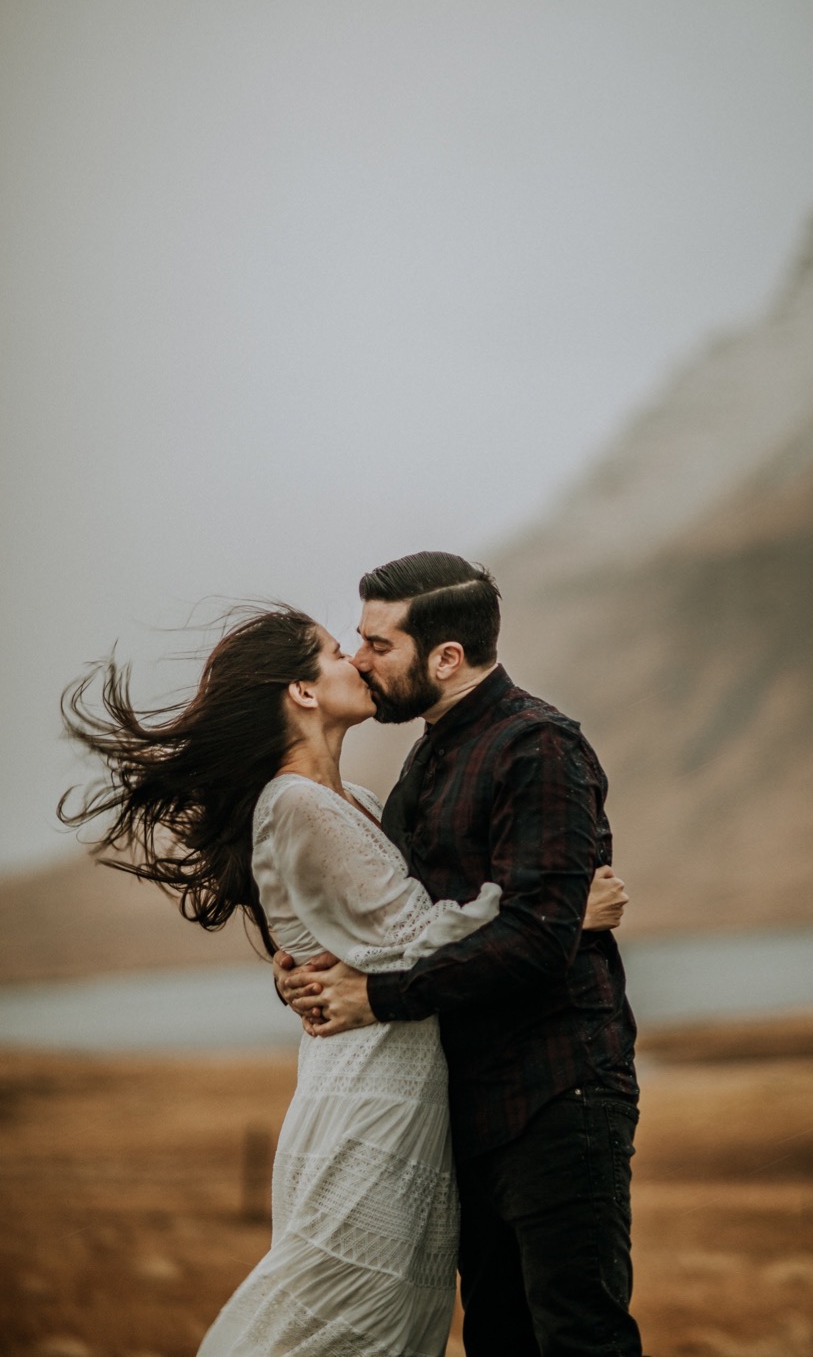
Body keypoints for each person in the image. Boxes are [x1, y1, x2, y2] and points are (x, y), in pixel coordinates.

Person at [56, 605, 628, 1357]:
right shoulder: (294, 803)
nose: (357, 661)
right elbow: (415, 934)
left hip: (407, 1087)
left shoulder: (353, 802)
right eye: (335, 651)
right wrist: (561, 912)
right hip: (369, 1096)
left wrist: (301, 973)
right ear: (301, 690)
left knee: (391, 1322)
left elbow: (360, 938)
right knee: (342, 1317)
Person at [275, 552, 643, 1357]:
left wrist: (380, 996)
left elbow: (534, 943)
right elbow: (405, 921)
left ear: (446, 657)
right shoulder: (427, 758)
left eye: (379, 643)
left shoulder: (535, 747)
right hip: (470, 1109)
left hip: (558, 1091)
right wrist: (303, 967)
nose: (360, 656)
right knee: (500, 1343)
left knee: (579, 1337)